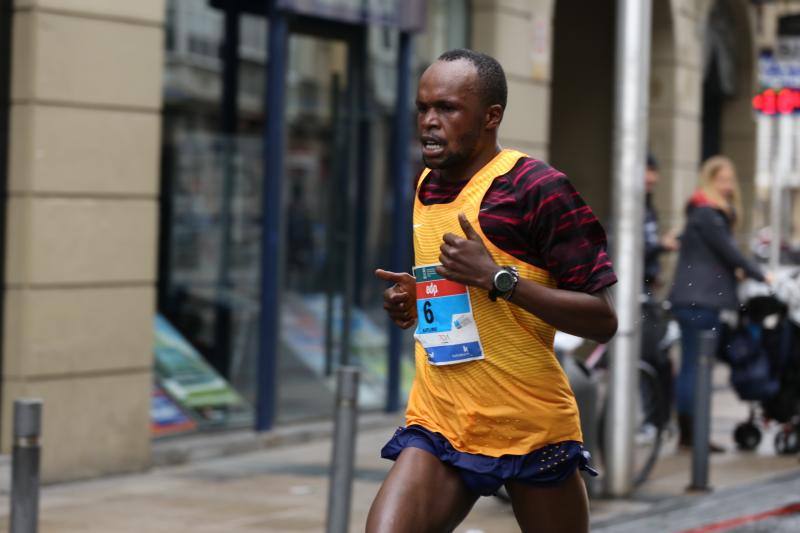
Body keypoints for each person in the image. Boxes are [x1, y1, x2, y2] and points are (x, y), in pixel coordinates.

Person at [368, 49, 618, 533]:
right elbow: (455, 294)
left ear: (491, 117)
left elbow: (602, 318)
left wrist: (498, 279)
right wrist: (416, 299)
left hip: (528, 426)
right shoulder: (426, 184)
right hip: (442, 417)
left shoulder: (537, 189)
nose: (430, 122)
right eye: (423, 109)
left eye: (447, 109)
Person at [669, 155, 768, 451]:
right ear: (708, 180)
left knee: (692, 366)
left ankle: (689, 434)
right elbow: (730, 253)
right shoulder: (707, 213)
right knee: (696, 368)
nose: (727, 186)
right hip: (700, 302)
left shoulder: (700, 212)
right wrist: (763, 275)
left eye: (729, 180)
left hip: (694, 300)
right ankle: (693, 436)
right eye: (721, 180)